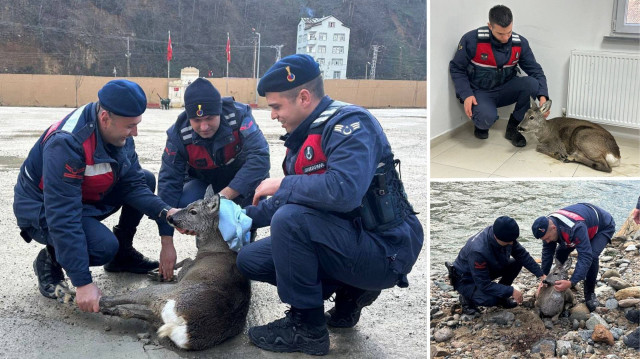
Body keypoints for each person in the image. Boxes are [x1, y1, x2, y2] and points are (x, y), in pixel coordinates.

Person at [234, 54, 424, 355]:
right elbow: (299, 196)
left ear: (304, 97)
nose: (272, 115)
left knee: (290, 220)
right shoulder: (306, 136)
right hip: (349, 239)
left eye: (276, 107)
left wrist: (282, 183)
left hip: (386, 249)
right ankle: (350, 293)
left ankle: (307, 327)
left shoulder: (350, 125)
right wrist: (241, 218)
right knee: (249, 260)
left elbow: (344, 191)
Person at [13, 79, 180, 313]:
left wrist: (167, 213)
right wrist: (83, 282)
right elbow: (63, 215)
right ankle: (50, 259)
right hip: (41, 207)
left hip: (79, 195)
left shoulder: (116, 128)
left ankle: (122, 256)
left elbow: (134, 185)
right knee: (102, 247)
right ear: (105, 119)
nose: (135, 132)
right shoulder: (67, 143)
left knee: (146, 178)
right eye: (130, 126)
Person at [156, 78, 269, 280]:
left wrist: (223, 198)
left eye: (209, 118)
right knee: (184, 203)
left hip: (239, 183)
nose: (204, 126)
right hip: (203, 183)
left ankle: (244, 242)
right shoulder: (178, 134)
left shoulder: (239, 116)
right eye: (196, 120)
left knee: (257, 193)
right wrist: (167, 242)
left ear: (220, 112)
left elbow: (260, 158)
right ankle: (209, 243)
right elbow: (168, 184)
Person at [449, 4, 549, 147]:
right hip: (480, 92)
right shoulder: (472, 40)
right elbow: (457, 68)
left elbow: (536, 70)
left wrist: (543, 96)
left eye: (509, 32)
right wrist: (466, 95)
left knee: (532, 83)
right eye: (501, 34)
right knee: (485, 118)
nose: (506, 37)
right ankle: (481, 123)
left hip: (505, 89)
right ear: (490, 26)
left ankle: (514, 128)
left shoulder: (519, 43)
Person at [445, 216, 545, 315]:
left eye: (513, 240)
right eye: (508, 241)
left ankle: (501, 297)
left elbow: (522, 255)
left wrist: (541, 274)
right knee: (492, 300)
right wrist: (511, 291)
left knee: (517, 262)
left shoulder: (504, 234)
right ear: (497, 237)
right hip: (466, 279)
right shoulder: (478, 251)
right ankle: (466, 298)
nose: (511, 243)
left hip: (488, 267)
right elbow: (484, 284)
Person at [532, 203, 616, 312]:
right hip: (583, 223)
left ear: (553, 228)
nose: (547, 241)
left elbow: (585, 256)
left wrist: (572, 282)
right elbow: (548, 252)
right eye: (544, 239)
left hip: (602, 227)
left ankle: (590, 294)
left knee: (592, 256)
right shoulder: (546, 226)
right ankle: (560, 279)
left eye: (547, 238)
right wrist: (544, 277)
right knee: (561, 252)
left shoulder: (575, 228)